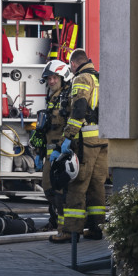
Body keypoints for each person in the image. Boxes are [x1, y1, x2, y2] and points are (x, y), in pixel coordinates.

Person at [50, 48, 109, 243]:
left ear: (73, 64)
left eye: (71, 66)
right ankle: (96, 228)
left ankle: (70, 232)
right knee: (97, 187)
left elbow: (79, 110)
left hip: (86, 141)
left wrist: (67, 137)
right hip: (104, 140)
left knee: (77, 185)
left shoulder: (81, 78)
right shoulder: (100, 77)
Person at [35, 60, 72, 234]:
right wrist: (39, 152)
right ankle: (55, 221)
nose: (51, 81)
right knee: (48, 189)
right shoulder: (51, 99)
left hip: (61, 155)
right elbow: (45, 129)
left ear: (62, 78)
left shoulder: (67, 98)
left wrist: (63, 148)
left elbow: (71, 125)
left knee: (59, 192)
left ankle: (62, 226)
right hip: (50, 155)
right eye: (49, 78)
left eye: (54, 78)